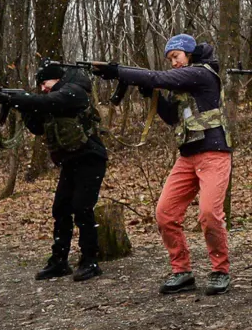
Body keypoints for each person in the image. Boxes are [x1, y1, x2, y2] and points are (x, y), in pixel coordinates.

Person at [92, 35, 233, 296]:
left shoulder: (202, 74)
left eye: (176, 56)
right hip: (187, 155)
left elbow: (158, 78)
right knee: (165, 213)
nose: (174, 62)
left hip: (214, 153)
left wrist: (118, 72)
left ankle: (220, 271)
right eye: (169, 58)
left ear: (189, 54)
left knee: (209, 215)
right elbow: (172, 117)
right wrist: (154, 98)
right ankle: (182, 271)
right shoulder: (183, 82)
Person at [0, 61, 106, 281]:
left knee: (82, 209)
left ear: (57, 79)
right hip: (71, 161)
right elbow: (37, 126)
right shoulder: (51, 100)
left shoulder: (74, 91)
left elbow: (51, 100)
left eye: (45, 83)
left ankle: (90, 260)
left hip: (90, 158)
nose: (43, 88)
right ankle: (59, 261)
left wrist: (20, 99)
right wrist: (21, 106)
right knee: (61, 209)